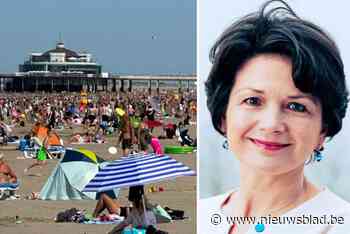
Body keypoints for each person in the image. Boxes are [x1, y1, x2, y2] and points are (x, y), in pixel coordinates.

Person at [199, 1, 350, 233]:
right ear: (223, 116)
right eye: (253, 101)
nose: (271, 125)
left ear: (323, 129)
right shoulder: (202, 216)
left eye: (296, 107)